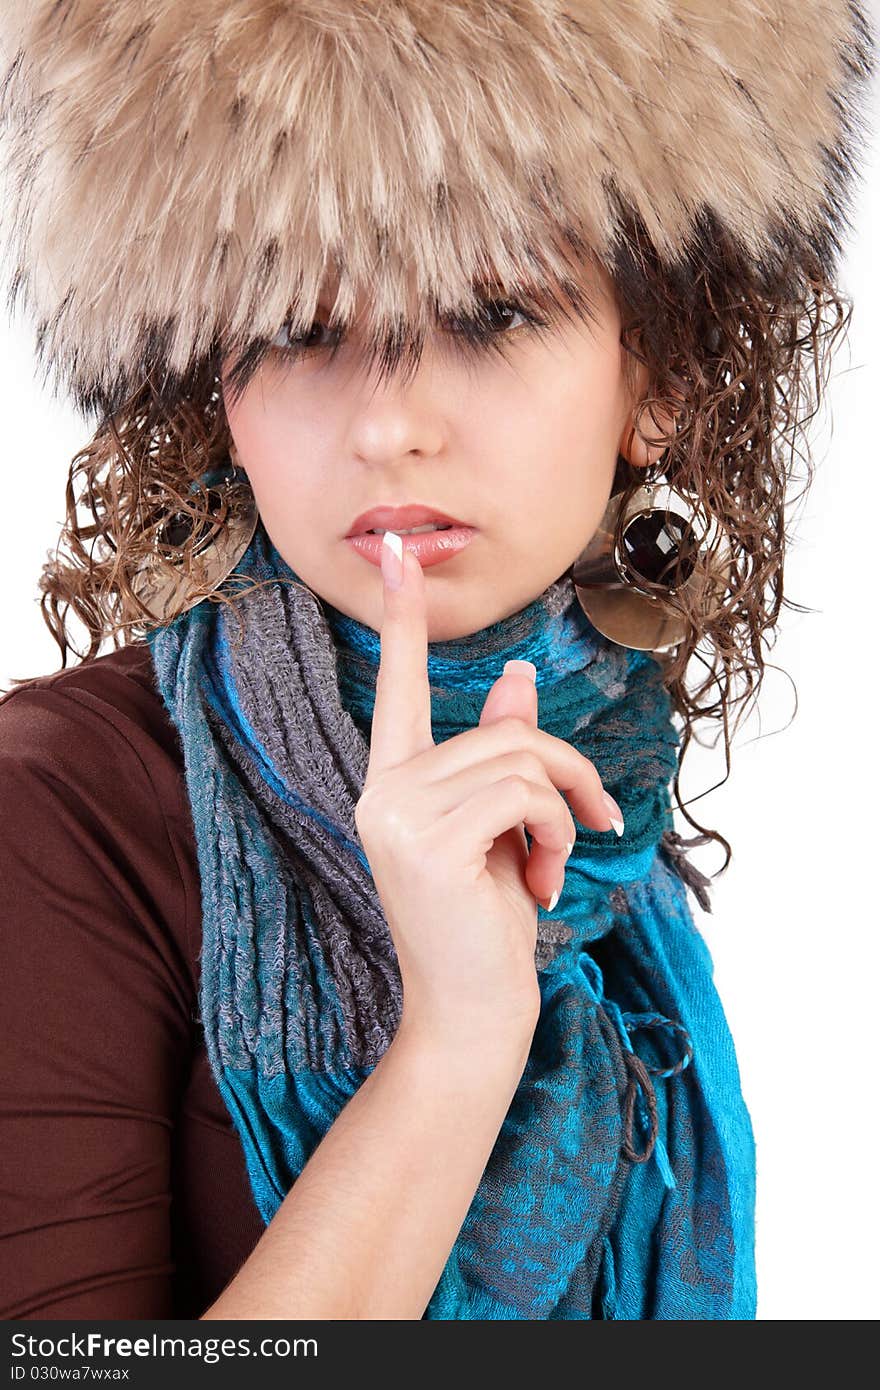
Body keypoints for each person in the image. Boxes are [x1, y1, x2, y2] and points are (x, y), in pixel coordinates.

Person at [0, 0, 874, 1321]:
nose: (390, 424)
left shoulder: (606, 800)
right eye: (300, 329)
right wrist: (454, 1045)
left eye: (489, 315)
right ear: (216, 387)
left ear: (659, 374)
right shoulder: (60, 810)